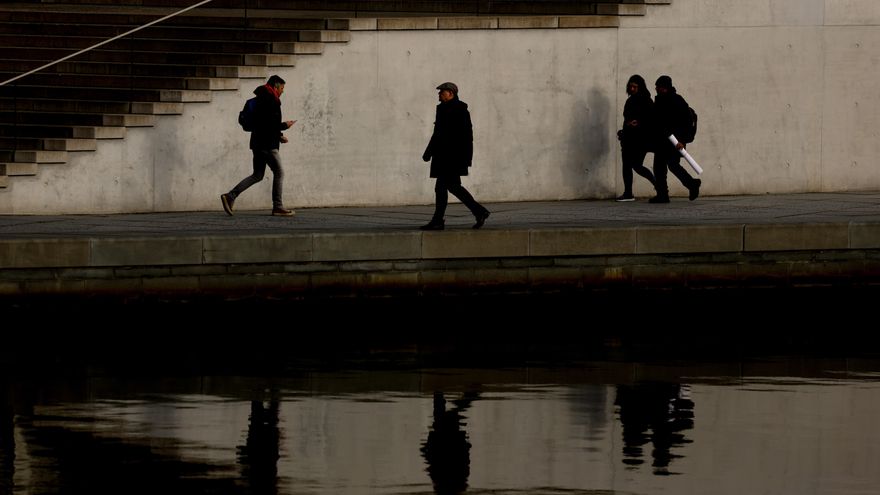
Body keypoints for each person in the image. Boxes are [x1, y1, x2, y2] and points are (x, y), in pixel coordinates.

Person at [221, 75, 297, 216]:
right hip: (267, 144)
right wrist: (284, 126)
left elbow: (264, 124)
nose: (283, 91)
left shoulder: (261, 98)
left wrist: (279, 136)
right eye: (282, 88)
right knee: (279, 172)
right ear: (275, 86)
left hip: (257, 142)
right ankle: (278, 207)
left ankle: (230, 196)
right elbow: (270, 124)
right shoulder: (271, 100)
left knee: (257, 174)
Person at [420, 82, 491, 230]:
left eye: (442, 92)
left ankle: (440, 220)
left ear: (451, 93)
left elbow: (466, 136)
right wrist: (429, 152)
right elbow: (437, 134)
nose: (439, 95)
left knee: (445, 187)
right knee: (449, 187)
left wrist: (464, 159)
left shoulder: (459, 110)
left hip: (452, 157)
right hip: (443, 156)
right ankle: (478, 212)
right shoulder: (443, 109)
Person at [649, 75, 701, 204]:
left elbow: (687, 122)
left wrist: (683, 140)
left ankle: (691, 184)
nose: (656, 88)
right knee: (661, 167)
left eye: (658, 86)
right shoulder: (660, 100)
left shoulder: (677, 101)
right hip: (662, 141)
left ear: (664, 87)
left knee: (671, 166)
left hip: (674, 141)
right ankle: (664, 194)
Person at [616, 74, 656, 201]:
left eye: (635, 86)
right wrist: (624, 130)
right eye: (630, 86)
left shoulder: (646, 101)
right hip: (628, 138)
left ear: (640, 87)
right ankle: (628, 193)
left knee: (636, 165)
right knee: (626, 165)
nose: (632, 89)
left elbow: (652, 119)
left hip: (641, 139)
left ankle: (658, 185)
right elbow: (627, 119)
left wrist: (639, 123)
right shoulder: (629, 101)